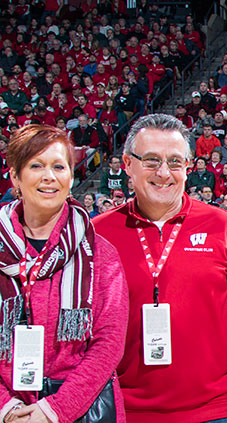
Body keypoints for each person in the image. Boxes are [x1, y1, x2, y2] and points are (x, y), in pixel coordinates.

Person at [93, 114, 227, 423]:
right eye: (151, 160)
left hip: (215, 410)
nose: (164, 173)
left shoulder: (223, 227)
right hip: (123, 411)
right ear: (127, 164)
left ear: (188, 167)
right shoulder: (97, 234)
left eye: (175, 162)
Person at [0, 125, 128, 423]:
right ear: (16, 176)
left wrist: (55, 409)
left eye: (59, 166)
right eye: (36, 166)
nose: (49, 176)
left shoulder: (100, 253)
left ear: (71, 177)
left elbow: (109, 344)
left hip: (81, 410)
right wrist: (7, 409)